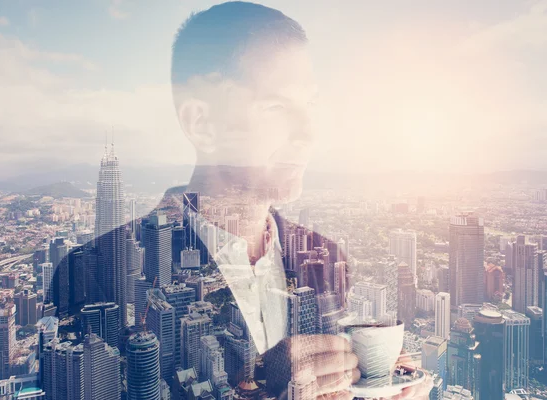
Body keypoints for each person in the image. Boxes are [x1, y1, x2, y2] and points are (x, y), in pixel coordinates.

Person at [57, 2, 432, 398]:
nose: (307, 133)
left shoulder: (327, 257)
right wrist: (264, 384)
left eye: (309, 106)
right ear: (201, 123)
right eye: (275, 107)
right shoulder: (93, 273)